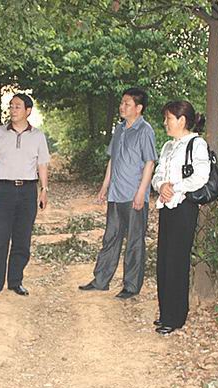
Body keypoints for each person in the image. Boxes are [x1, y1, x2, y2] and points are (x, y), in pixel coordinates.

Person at [79, 88, 157, 299]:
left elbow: (150, 162)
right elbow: (112, 160)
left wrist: (141, 192)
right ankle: (101, 280)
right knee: (110, 237)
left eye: (127, 104)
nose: (122, 107)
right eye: (122, 103)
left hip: (134, 196)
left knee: (134, 241)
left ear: (138, 108)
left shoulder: (145, 130)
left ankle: (131, 286)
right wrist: (104, 187)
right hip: (115, 193)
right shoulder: (119, 129)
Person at [0, 93, 50, 299]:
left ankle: (15, 281)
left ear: (28, 111)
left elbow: (42, 164)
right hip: (4, 190)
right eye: (11, 106)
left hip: (28, 191)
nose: (12, 110)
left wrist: (44, 189)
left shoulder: (38, 136)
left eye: (17, 106)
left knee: (22, 238)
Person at [151, 101, 210, 335]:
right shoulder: (168, 146)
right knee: (164, 260)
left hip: (184, 207)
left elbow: (201, 176)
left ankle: (175, 317)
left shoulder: (197, 144)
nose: (165, 123)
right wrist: (161, 186)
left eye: (168, 118)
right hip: (166, 206)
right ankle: (165, 312)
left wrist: (174, 187)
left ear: (182, 120)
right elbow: (157, 174)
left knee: (177, 261)